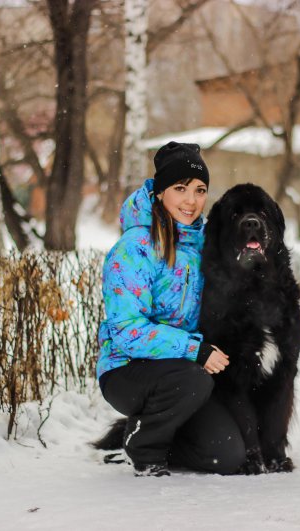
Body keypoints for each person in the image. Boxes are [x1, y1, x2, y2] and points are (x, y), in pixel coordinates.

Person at [96, 141, 246, 477]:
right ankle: (144, 446)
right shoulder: (134, 248)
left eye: (200, 190)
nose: (191, 201)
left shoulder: (205, 244)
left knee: (228, 456)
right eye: (180, 189)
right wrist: (195, 349)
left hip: (185, 373)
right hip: (128, 370)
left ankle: (165, 434)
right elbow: (127, 331)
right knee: (191, 379)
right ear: (160, 191)